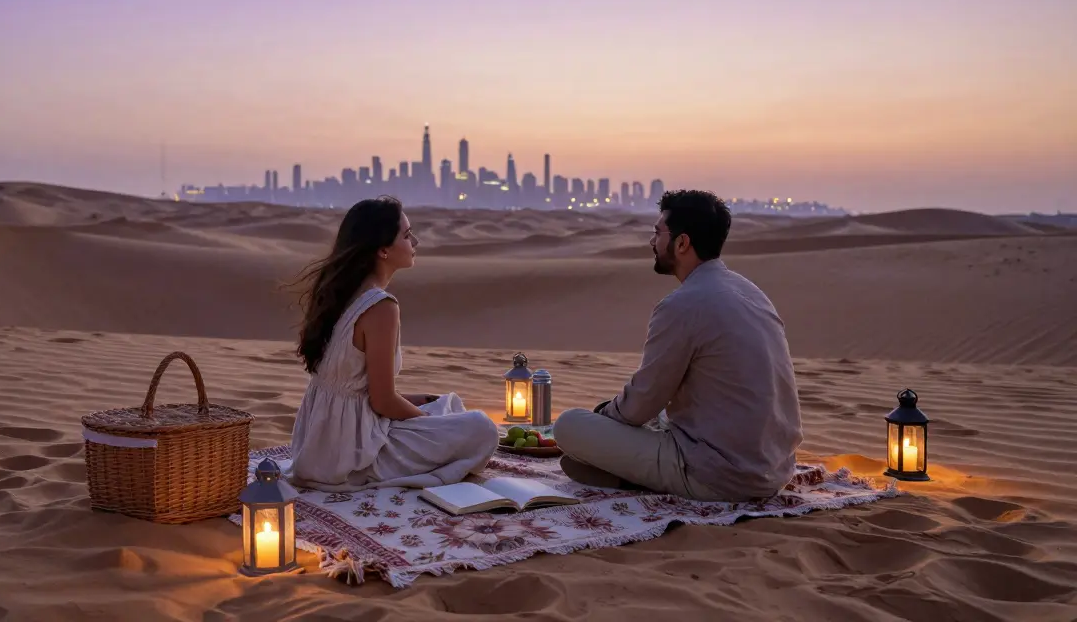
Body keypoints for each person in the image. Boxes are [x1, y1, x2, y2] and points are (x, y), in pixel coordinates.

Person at [552, 189, 803, 502]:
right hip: (775, 469)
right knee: (656, 421)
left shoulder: (683, 305)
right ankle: (624, 470)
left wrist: (603, 417)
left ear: (682, 243)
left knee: (569, 426)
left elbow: (639, 405)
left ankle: (632, 473)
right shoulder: (750, 291)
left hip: (719, 476)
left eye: (658, 233)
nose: (652, 242)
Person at [286, 196, 499, 491]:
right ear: (383, 249)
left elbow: (358, 389)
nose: (416, 241)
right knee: (482, 429)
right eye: (407, 234)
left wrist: (417, 401)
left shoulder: (340, 294)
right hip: (349, 456)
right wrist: (422, 419)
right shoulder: (380, 307)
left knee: (446, 403)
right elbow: (383, 401)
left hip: (319, 445)